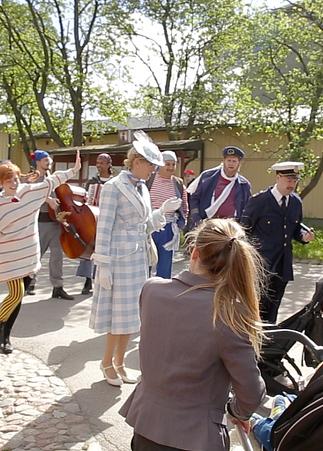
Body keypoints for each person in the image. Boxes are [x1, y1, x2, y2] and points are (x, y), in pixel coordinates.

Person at [119, 218, 266, 451]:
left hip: (146, 427)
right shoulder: (228, 314)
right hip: (197, 437)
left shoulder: (152, 290)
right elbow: (251, 392)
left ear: (195, 251)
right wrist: (236, 411)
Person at [0, 153, 81, 354]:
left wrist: (73, 170)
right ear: (0, 182)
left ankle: (6, 335)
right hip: (10, 256)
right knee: (16, 293)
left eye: (16, 179)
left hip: (30, 254)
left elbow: (52, 181)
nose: (13, 183)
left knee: (19, 297)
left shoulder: (30, 192)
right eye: (8, 180)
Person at [89, 132, 181, 387]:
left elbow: (145, 225)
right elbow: (104, 227)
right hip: (118, 257)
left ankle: (119, 362)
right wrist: (103, 264)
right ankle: (107, 361)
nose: (153, 170)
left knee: (132, 314)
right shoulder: (113, 187)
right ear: (136, 161)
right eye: (151, 164)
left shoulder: (141, 186)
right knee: (117, 316)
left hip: (139, 257)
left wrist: (162, 211)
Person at [241, 162, 315, 324]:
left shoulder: (295, 202)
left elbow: (295, 228)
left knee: (273, 308)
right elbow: (243, 229)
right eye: (289, 180)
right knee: (255, 307)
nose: (292, 185)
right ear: (278, 177)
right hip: (261, 263)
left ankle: (268, 343)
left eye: (295, 181)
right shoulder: (260, 200)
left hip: (282, 264)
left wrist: (304, 237)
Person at [24, 150, 74, 300]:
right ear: (38, 162)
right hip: (40, 222)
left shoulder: (52, 178)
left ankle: (57, 287)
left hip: (54, 223)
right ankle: (29, 282)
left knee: (57, 255)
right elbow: (29, 193)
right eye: (45, 159)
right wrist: (48, 200)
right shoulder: (31, 179)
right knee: (36, 255)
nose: (48, 162)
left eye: (49, 159)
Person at [76, 153, 114, 295]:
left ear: (109, 164)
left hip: (107, 217)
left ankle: (103, 279)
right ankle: (87, 281)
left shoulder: (114, 181)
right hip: (92, 218)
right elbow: (86, 200)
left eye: (102, 163)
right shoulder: (92, 182)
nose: (99, 165)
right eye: (97, 163)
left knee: (105, 249)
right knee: (89, 248)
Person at [147, 150, 189, 278]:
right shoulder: (149, 179)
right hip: (149, 226)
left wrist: (183, 221)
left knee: (165, 265)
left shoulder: (178, 183)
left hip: (168, 228)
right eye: (167, 164)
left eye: (173, 164)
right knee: (146, 261)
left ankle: (162, 293)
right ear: (159, 164)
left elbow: (184, 205)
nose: (170, 168)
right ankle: (142, 291)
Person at [187, 146, 251, 226]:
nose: (231, 164)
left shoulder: (244, 184)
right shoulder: (207, 177)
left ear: (239, 163)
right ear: (224, 161)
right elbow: (194, 198)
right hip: (207, 223)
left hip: (231, 225)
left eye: (234, 161)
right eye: (229, 160)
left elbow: (247, 208)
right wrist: (196, 218)